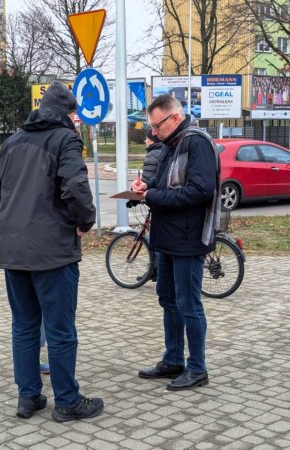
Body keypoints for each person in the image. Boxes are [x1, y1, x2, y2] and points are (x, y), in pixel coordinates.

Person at [0, 81, 103, 421]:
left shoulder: (11, 142)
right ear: (68, 114)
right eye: (75, 115)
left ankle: (28, 398)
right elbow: (75, 187)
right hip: (52, 251)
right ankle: (67, 401)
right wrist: (86, 221)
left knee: (24, 326)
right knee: (60, 329)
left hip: (14, 251)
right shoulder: (65, 139)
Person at [131, 94, 221, 391]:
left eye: (157, 125)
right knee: (168, 300)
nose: (153, 132)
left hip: (188, 239)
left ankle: (197, 368)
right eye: (152, 126)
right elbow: (166, 182)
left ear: (175, 118)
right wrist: (146, 186)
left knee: (188, 304)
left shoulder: (195, 142)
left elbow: (199, 190)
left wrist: (153, 196)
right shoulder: (172, 144)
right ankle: (173, 359)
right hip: (167, 238)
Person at [0, 200, 50, 375]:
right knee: (27, 317)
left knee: (43, 315)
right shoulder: (6, 174)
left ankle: (34, 362)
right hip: (20, 253)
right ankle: (31, 362)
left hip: (38, 251)